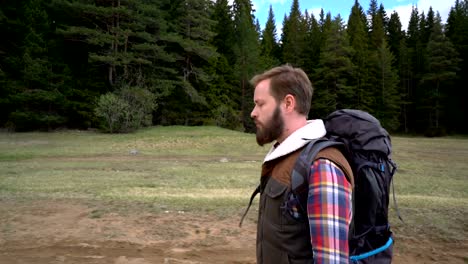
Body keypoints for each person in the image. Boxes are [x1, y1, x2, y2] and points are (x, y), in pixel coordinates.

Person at [249, 65, 353, 264]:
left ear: (288, 103)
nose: (253, 113)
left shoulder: (322, 165)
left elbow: (331, 260)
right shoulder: (285, 156)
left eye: (260, 104)